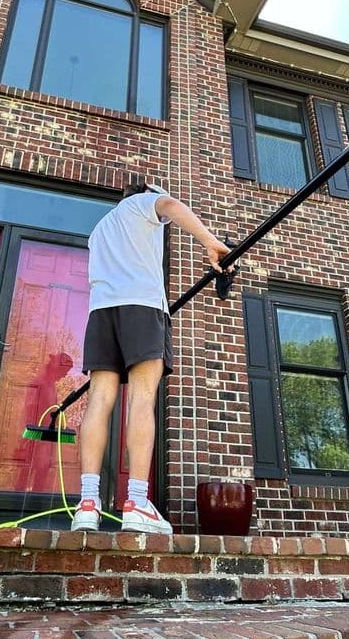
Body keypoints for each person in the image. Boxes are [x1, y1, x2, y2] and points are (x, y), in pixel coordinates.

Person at [70, 178, 231, 535]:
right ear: (145, 194)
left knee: (99, 400)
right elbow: (172, 206)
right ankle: (137, 503)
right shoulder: (142, 203)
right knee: (142, 400)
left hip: (101, 313)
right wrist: (210, 242)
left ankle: (87, 504)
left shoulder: (99, 231)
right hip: (141, 308)